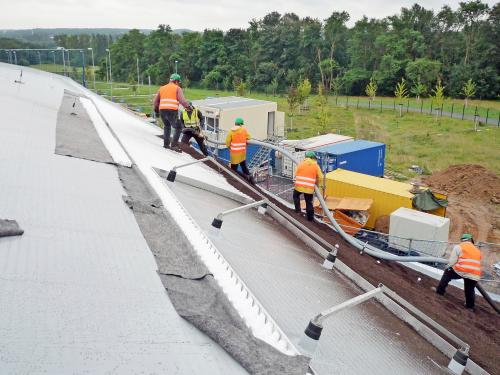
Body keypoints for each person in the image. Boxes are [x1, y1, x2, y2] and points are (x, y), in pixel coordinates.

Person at [436, 233, 482, 311]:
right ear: (471, 240)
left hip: (462, 270)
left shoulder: (459, 246)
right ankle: (470, 306)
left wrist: (448, 267)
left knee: (447, 273)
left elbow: (452, 261)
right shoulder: (477, 250)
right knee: (470, 289)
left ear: (462, 240)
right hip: (475, 273)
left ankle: (440, 291)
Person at [154, 73, 191, 152]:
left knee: (167, 126)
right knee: (178, 127)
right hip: (171, 110)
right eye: (179, 82)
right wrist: (188, 107)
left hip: (162, 110)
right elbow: (182, 100)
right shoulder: (177, 88)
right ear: (176, 81)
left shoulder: (162, 88)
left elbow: (156, 101)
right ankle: (174, 145)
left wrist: (156, 110)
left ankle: (166, 144)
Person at [293, 151, 323, 221]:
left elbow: (296, 173)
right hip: (309, 187)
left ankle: (297, 211)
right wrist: (317, 184)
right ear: (313, 158)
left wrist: (296, 181)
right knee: (309, 202)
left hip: (299, 185)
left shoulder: (301, 163)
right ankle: (310, 218)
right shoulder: (316, 165)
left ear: (306, 157)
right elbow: (320, 177)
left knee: (296, 196)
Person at [225, 117, 253, 183]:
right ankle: (249, 178)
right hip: (242, 152)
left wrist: (229, 147)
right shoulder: (244, 130)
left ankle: (240, 178)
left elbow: (227, 142)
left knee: (233, 169)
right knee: (243, 166)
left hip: (234, 153)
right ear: (240, 124)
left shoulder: (231, 131)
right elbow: (249, 137)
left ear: (235, 123)